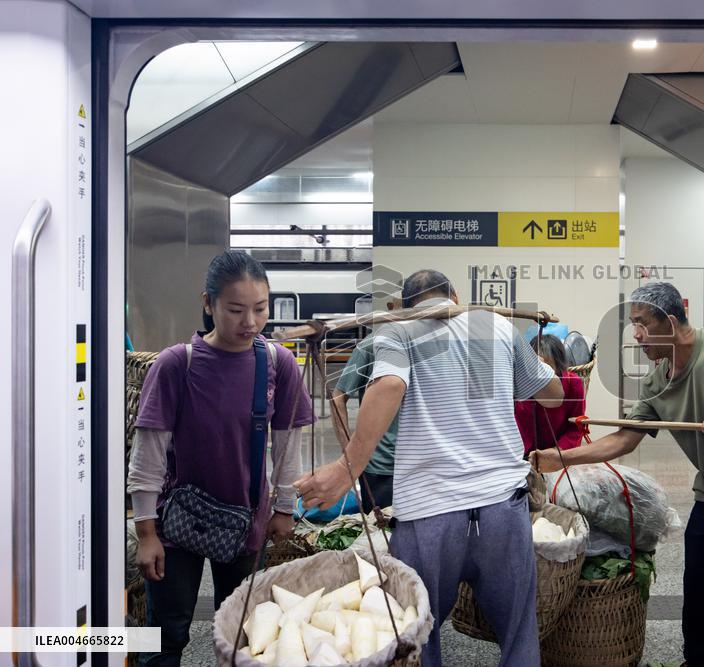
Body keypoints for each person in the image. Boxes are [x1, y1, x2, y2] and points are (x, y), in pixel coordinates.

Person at [532, 282, 704, 667]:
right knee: (700, 589)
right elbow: (622, 440)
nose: (636, 335)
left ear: (668, 321)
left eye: (642, 324)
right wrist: (560, 458)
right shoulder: (656, 383)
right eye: (633, 325)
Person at [295, 269, 564, 667]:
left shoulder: (396, 330)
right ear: (453, 295)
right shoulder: (496, 325)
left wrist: (346, 468)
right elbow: (554, 396)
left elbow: (388, 385)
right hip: (502, 509)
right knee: (519, 634)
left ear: (406, 304)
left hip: (430, 513)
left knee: (418, 632)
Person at [127, 250, 313, 666]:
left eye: (260, 309)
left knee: (243, 634)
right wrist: (146, 533)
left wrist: (284, 507)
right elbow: (149, 454)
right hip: (175, 523)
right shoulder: (178, 364)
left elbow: (287, 445)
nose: (249, 322)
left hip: (244, 520)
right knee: (166, 635)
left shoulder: (279, 364)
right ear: (208, 303)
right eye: (235, 310)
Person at [330, 298, 403, 512]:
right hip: (380, 467)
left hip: (418, 464)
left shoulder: (422, 346)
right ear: (390, 309)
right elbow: (338, 398)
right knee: (380, 536)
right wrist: (349, 454)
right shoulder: (372, 345)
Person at [515, 334, 586, 455]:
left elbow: (576, 428)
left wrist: (557, 452)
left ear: (559, 367)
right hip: (521, 454)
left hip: (558, 455)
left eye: (547, 367)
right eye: (536, 366)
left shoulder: (573, 384)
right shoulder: (520, 382)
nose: (541, 372)